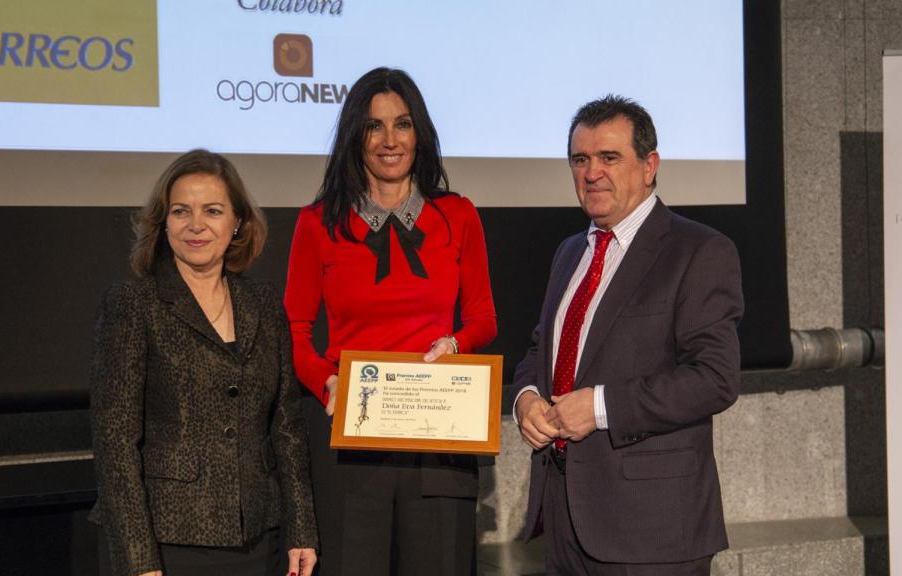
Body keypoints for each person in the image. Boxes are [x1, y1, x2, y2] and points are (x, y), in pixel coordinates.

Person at [510, 95, 743, 575]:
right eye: (580, 159)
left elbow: (715, 379)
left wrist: (598, 407)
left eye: (609, 157)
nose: (592, 172)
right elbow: (541, 349)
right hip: (563, 522)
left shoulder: (698, 251)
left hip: (652, 530)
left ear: (649, 166)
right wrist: (526, 398)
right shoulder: (569, 252)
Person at [284, 67, 497, 575]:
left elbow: (484, 317)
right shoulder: (317, 223)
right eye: (373, 126)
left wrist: (456, 345)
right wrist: (328, 381)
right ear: (354, 137)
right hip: (352, 441)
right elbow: (294, 332)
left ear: (419, 133)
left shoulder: (458, 215)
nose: (389, 140)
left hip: (439, 438)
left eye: (402, 124)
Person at [88, 149, 318, 576]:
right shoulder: (133, 303)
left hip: (259, 539)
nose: (196, 225)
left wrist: (301, 528)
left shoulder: (263, 302)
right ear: (163, 222)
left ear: (237, 222)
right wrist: (138, 559)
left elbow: (286, 426)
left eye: (212, 211)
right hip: (167, 542)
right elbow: (115, 442)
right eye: (181, 211)